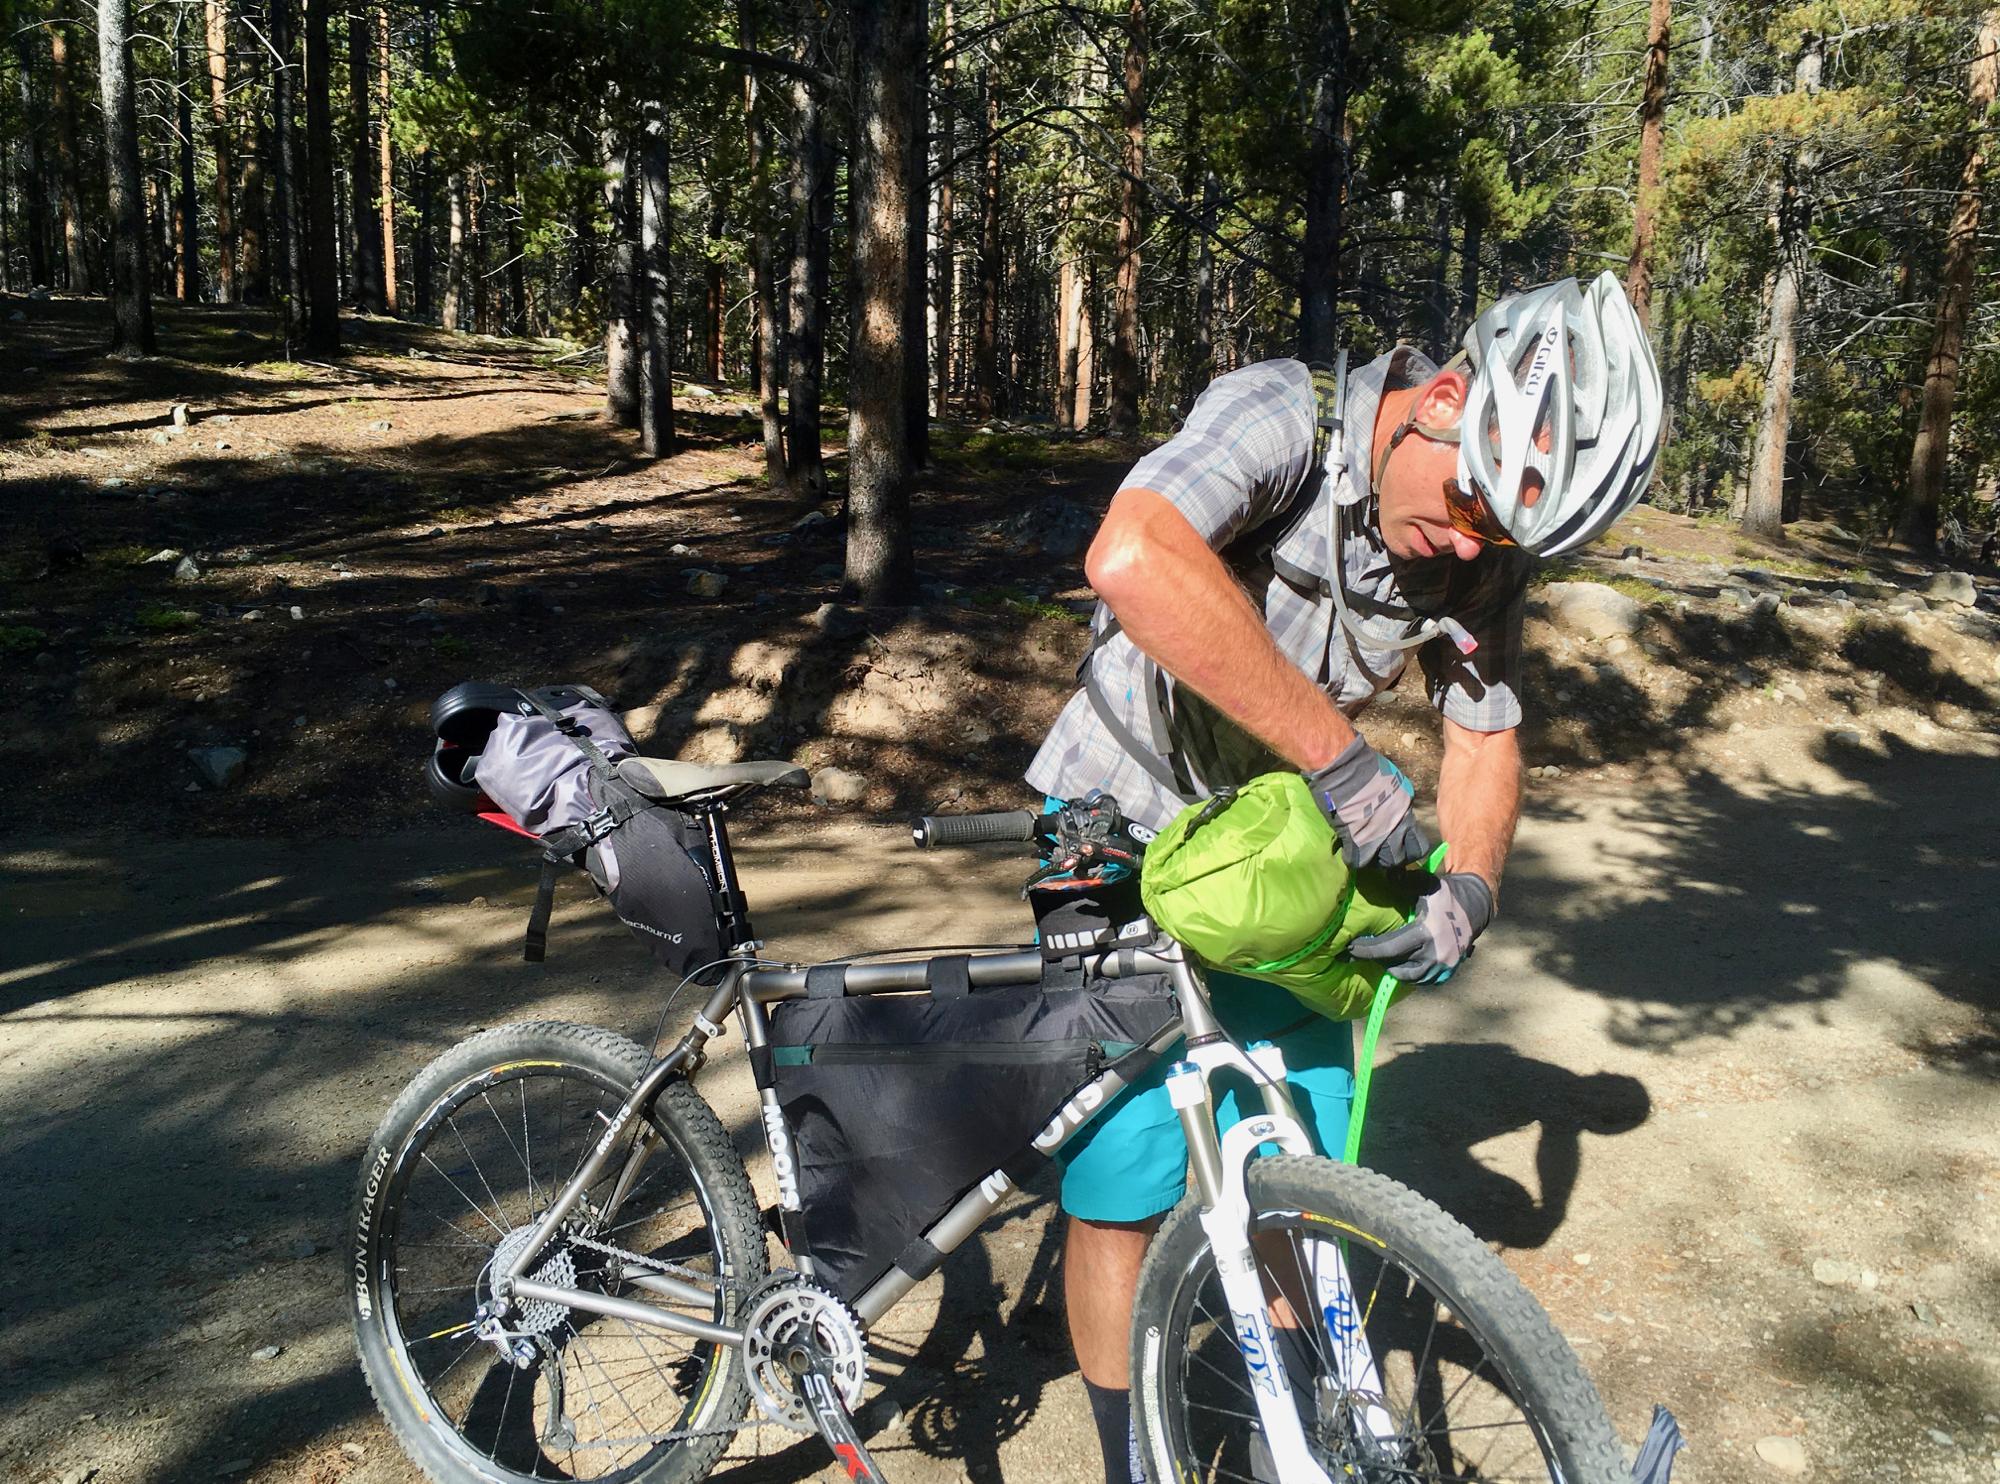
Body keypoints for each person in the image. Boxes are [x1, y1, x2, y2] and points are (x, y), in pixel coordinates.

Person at [1024, 271, 1665, 1483]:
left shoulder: (1478, 546)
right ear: (1441, 398)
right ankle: (1128, 1461)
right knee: (1116, 1171)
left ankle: (1291, 1441)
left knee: (1296, 1159)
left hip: (1284, 847)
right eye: (1470, 503)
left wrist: (1470, 881)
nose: (1471, 546)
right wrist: (1339, 755)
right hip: (1104, 819)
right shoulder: (1279, 415)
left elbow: (1482, 729)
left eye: (1503, 536)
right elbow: (1130, 553)